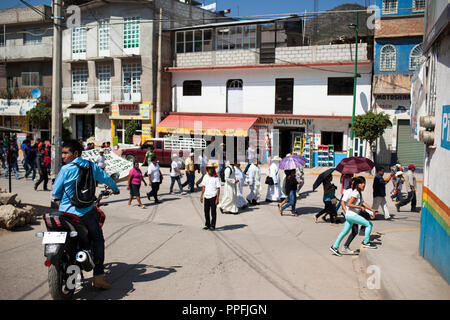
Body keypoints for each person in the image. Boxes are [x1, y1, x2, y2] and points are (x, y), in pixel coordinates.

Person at [51, 139, 119, 289]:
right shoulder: (91, 166)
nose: (63, 156)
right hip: (85, 213)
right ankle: (99, 277)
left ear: (75, 153)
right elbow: (107, 178)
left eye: (65, 153)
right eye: (62, 153)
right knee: (98, 239)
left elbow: (55, 193)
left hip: (64, 213)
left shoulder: (65, 169)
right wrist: (115, 188)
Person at [330, 176, 379, 256]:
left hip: (350, 216)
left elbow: (363, 202)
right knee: (369, 224)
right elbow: (349, 204)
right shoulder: (355, 192)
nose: (364, 185)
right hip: (351, 215)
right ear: (358, 184)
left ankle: (335, 246)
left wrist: (371, 210)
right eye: (362, 183)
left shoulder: (358, 192)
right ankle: (366, 242)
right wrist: (360, 207)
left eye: (364, 183)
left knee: (344, 232)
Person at [200, 161, 221, 231]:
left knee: (213, 212)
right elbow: (203, 187)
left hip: (213, 196)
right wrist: (201, 195)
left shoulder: (216, 178)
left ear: (213, 169)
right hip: (206, 196)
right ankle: (207, 224)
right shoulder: (205, 177)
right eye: (209, 169)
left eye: (211, 169)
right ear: (207, 169)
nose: (210, 170)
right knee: (206, 211)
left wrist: (217, 198)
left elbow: (218, 188)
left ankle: (213, 225)